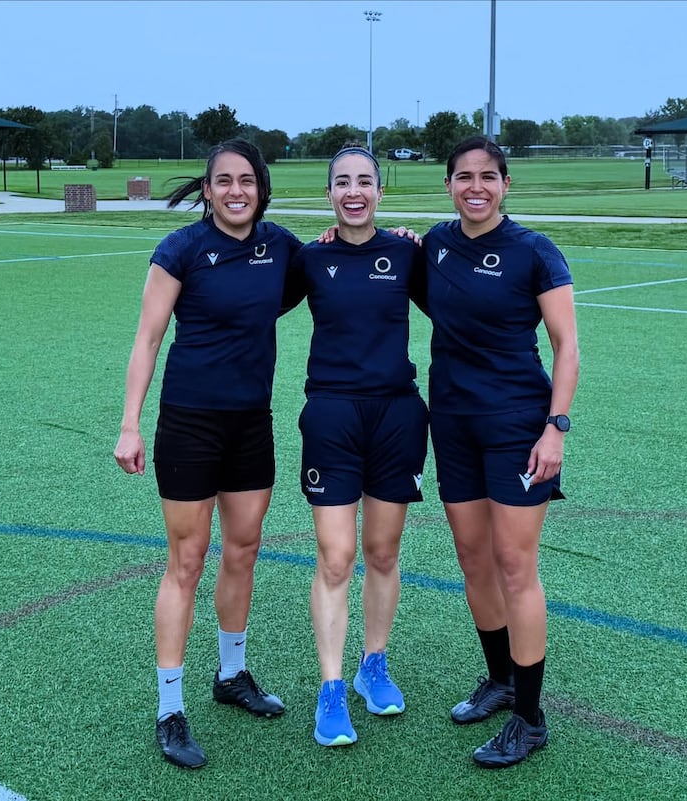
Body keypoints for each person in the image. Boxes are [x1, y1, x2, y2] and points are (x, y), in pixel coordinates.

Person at [113, 139, 303, 769]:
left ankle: (231, 675)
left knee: (243, 550)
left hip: (251, 424)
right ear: (207, 188)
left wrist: (404, 243)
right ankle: (170, 707)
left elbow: (339, 262)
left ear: (262, 187)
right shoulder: (182, 250)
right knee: (187, 560)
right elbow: (147, 339)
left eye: (246, 181)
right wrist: (129, 425)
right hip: (190, 425)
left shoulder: (281, 248)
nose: (235, 191)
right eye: (223, 181)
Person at [423, 135, 579, 768]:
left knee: (516, 564)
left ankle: (530, 718)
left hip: (517, 423)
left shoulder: (535, 253)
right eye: (464, 177)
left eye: (488, 176)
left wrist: (555, 428)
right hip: (453, 422)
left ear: (506, 184)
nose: (476, 187)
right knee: (472, 556)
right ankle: (500, 679)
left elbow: (567, 346)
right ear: (450, 185)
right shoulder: (433, 245)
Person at [292, 146, 428, 747]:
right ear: (328, 194)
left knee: (382, 550)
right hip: (332, 415)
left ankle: (375, 664)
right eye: (342, 182)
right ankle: (331, 688)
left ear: (380, 190)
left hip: (397, 414)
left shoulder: (405, 252)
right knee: (336, 555)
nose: (354, 191)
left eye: (365, 182)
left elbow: (461, 303)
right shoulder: (309, 258)